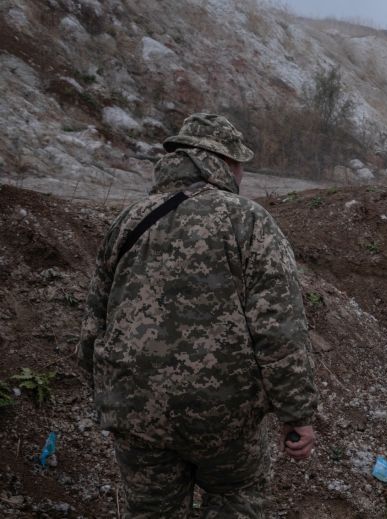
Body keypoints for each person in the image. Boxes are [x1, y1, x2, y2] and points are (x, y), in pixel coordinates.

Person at [77, 113, 317, 517]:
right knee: (235, 500)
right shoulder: (248, 220)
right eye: (239, 163)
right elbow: (278, 329)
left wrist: (109, 396)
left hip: (137, 415)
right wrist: (296, 415)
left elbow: (94, 323)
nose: (242, 173)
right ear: (219, 162)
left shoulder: (129, 221)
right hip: (224, 419)